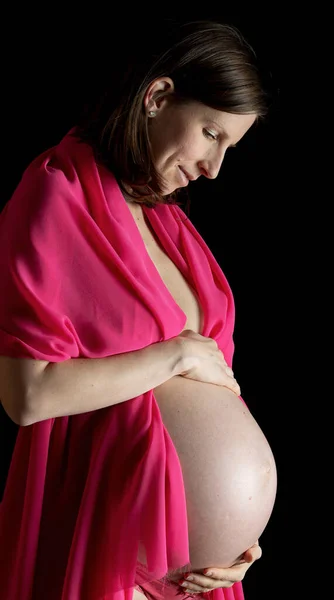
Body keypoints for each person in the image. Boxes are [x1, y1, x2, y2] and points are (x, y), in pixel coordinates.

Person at [0, 19, 277, 600]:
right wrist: (175, 354)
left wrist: (236, 544)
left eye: (230, 148)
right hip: (111, 553)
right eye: (211, 134)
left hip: (199, 580)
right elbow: (28, 395)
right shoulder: (57, 195)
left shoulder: (167, 221)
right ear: (157, 97)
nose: (214, 168)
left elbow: (213, 386)